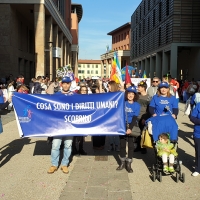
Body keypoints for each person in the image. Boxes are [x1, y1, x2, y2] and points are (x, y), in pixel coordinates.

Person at [47, 75, 74, 174]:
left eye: (68, 83)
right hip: (58, 125)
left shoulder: (74, 96)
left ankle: (64, 164)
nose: (66, 85)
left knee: (68, 145)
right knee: (55, 145)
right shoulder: (56, 95)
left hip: (70, 126)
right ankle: (54, 164)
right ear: (61, 84)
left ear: (70, 84)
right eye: (64, 83)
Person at [116, 86, 140, 173]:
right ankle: (122, 162)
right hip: (122, 125)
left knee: (130, 146)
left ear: (135, 95)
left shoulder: (137, 105)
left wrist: (130, 128)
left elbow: (135, 118)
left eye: (132, 94)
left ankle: (129, 163)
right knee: (122, 145)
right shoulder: (123, 103)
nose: (130, 95)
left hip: (131, 125)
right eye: (129, 93)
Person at [134, 80, 151, 154]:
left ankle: (143, 148)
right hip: (135, 116)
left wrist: (145, 118)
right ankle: (138, 146)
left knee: (143, 133)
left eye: (139, 87)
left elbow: (149, 110)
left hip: (143, 117)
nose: (138, 88)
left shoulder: (149, 97)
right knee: (136, 132)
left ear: (144, 88)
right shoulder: (136, 95)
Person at [72, 85, 88, 155]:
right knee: (74, 135)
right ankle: (74, 149)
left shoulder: (89, 98)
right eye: (82, 90)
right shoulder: (76, 98)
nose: (84, 92)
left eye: (85, 90)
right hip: (76, 118)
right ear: (80, 91)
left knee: (81, 135)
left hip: (84, 119)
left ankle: (81, 149)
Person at [91, 79, 106, 150]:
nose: (99, 90)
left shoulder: (103, 96)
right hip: (95, 116)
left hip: (102, 115)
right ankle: (96, 145)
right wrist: (100, 85)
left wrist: (100, 85)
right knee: (95, 132)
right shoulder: (93, 97)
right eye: (97, 89)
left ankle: (102, 144)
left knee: (103, 131)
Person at [107, 81, 120, 152]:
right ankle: (111, 144)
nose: (108, 87)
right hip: (109, 115)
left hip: (117, 115)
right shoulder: (108, 94)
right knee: (110, 131)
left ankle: (117, 145)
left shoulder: (118, 94)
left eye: (108, 86)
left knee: (116, 131)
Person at [189, 102, 200, 176]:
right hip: (198, 133)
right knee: (198, 151)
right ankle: (198, 168)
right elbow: (192, 117)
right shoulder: (199, 105)